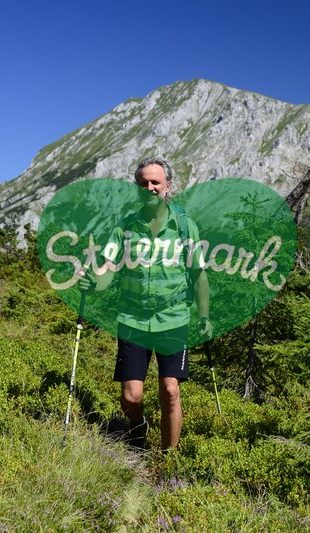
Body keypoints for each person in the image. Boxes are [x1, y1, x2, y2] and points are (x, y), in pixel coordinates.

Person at [79, 157, 211, 451]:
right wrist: (93, 280)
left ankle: (168, 457)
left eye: (155, 182)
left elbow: (199, 274)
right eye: (143, 183)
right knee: (131, 397)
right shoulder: (125, 227)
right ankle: (137, 433)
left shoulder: (185, 226)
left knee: (170, 390)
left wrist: (203, 315)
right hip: (133, 318)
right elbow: (108, 268)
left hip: (174, 318)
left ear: (168, 187)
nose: (149, 187)